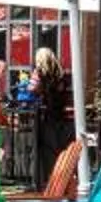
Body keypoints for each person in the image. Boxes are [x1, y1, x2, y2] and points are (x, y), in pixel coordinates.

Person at [31, 46, 75, 181]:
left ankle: (43, 179)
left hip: (44, 115)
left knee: (43, 148)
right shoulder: (60, 74)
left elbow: (32, 88)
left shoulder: (39, 73)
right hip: (59, 115)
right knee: (57, 148)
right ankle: (58, 176)